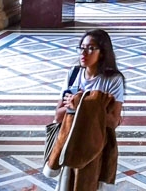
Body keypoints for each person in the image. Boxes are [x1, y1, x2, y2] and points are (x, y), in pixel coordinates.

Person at [46, 29, 124, 189]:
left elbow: (113, 121)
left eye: (90, 48)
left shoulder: (113, 80)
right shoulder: (73, 74)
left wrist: (79, 104)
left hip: (95, 145)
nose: (84, 53)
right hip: (69, 141)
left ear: (102, 52)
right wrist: (92, 104)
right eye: (81, 47)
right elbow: (59, 114)